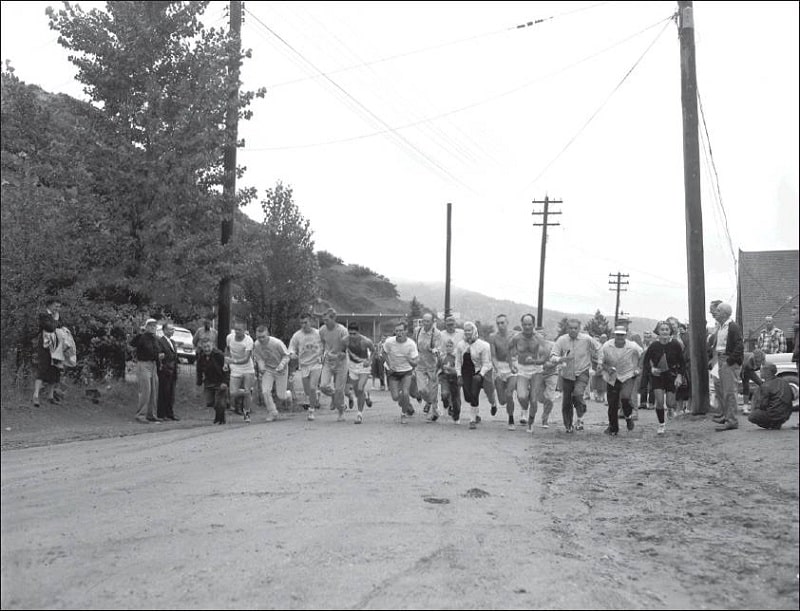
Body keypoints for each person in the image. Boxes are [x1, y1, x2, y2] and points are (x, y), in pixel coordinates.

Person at [550, 318, 600, 433]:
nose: (573, 330)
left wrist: (600, 362)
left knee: (577, 394)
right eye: (570, 328)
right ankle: (568, 425)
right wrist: (560, 358)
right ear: (567, 329)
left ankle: (580, 414)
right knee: (567, 401)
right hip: (567, 373)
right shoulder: (562, 340)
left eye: (575, 328)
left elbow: (599, 348)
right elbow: (552, 355)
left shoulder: (587, 339)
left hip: (582, 371)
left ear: (579, 328)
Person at [642, 321, 686, 435]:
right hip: (658, 376)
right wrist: (651, 369)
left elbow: (682, 363)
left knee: (670, 403)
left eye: (667, 329)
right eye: (662, 329)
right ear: (658, 332)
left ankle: (671, 409)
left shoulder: (675, 344)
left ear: (670, 331)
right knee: (660, 402)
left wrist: (680, 376)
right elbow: (646, 362)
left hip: (671, 376)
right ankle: (661, 424)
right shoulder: (654, 345)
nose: (665, 331)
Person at [597, 326, 642, 435]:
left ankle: (628, 417)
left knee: (625, 398)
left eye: (622, 335)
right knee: (612, 403)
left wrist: (638, 367)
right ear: (614, 335)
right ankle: (613, 427)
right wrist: (606, 368)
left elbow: (643, 355)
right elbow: (600, 362)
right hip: (612, 375)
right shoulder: (607, 346)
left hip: (628, 374)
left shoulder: (632, 346)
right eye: (618, 334)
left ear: (626, 335)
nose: (620, 337)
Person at [710, 303, 744, 431]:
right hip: (721, 359)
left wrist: (729, 361)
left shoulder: (732, 326)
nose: (715, 313)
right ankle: (726, 416)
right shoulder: (720, 327)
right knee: (721, 389)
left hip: (727, 360)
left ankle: (732, 421)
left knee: (729, 391)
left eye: (718, 311)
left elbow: (739, 346)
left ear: (724, 313)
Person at [456, 321, 495, 430]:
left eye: (470, 330)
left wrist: (481, 374)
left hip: (478, 371)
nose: (468, 332)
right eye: (466, 330)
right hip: (466, 371)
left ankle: (472, 419)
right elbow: (458, 362)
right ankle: (476, 412)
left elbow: (487, 363)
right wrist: (459, 375)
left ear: (474, 331)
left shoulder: (484, 345)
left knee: (476, 391)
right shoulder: (460, 345)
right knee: (468, 396)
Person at [508, 314, 543, 430]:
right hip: (522, 369)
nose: (527, 327)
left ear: (533, 324)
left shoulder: (539, 338)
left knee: (533, 399)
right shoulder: (517, 338)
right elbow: (508, 350)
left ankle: (531, 422)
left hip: (536, 370)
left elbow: (545, 355)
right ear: (521, 324)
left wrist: (536, 360)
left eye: (529, 324)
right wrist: (511, 364)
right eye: (525, 324)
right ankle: (525, 408)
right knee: (522, 396)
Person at [381, 321, 419, 424]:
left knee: (405, 392)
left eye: (401, 330)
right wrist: (389, 365)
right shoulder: (389, 342)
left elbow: (415, 363)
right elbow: (384, 353)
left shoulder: (411, 344)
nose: (399, 333)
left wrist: (409, 359)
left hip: (406, 371)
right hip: (393, 372)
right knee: (395, 397)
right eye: (397, 331)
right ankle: (407, 404)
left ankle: (403, 414)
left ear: (406, 331)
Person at [289, 313, 324, 420]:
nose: (304, 325)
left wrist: (324, 355)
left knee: (313, 387)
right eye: (302, 323)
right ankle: (314, 397)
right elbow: (291, 348)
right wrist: (292, 354)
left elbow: (327, 345)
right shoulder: (297, 335)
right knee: (307, 391)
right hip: (304, 365)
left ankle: (311, 411)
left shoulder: (319, 334)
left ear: (311, 322)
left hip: (316, 364)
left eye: (306, 322)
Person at [253, 325, 290, 423]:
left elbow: (286, 356)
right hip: (268, 369)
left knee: (281, 396)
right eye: (258, 337)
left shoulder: (277, 343)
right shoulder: (256, 345)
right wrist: (261, 366)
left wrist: (281, 366)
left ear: (268, 335)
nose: (261, 339)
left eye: (263, 337)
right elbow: (258, 357)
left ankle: (288, 395)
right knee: (265, 391)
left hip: (281, 369)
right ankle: (272, 412)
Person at [319, 308, 350, 421]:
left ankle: (341, 411)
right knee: (323, 386)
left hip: (341, 362)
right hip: (328, 360)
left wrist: (341, 353)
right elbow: (322, 343)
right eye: (323, 320)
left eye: (327, 320)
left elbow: (346, 347)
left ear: (334, 319)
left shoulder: (342, 331)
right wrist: (322, 354)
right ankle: (333, 396)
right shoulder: (322, 330)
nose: (325, 322)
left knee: (339, 389)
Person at [32, 298, 64, 407]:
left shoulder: (57, 315)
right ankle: (35, 396)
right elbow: (51, 328)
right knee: (43, 368)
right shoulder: (43, 315)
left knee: (55, 369)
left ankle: (50, 396)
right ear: (49, 305)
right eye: (56, 306)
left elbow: (61, 326)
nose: (58, 309)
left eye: (59, 306)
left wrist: (56, 321)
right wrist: (55, 320)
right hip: (45, 346)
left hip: (56, 346)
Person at [130, 318, 162, 423]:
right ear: (147, 327)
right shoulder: (142, 337)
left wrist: (159, 360)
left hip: (153, 365)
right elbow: (132, 344)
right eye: (151, 326)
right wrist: (140, 333)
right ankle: (141, 414)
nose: (153, 328)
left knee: (154, 390)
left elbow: (156, 352)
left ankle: (151, 414)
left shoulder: (155, 339)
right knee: (145, 390)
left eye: (154, 326)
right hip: (144, 364)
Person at [489, 314, 516, 427]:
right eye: (498, 323)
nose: (500, 325)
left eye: (502, 323)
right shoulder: (493, 337)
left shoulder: (515, 336)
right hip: (499, 366)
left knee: (509, 394)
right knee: (502, 401)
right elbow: (493, 356)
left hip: (512, 367)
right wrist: (497, 369)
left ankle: (511, 418)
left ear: (507, 323)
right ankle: (495, 403)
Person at [748, 362, 793, 429]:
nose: (760, 373)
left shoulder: (765, 386)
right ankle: (776, 423)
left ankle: (771, 424)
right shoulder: (784, 381)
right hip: (786, 414)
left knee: (752, 416)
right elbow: (792, 396)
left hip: (773, 414)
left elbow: (763, 404)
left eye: (761, 371)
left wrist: (755, 406)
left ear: (767, 372)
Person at [225, 320, 255, 423]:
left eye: (239, 330)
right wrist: (226, 362)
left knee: (247, 390)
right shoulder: (229, 337)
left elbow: (246, 358)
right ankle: (247, 393)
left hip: (247, 368)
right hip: (235, 368)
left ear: (244, 331)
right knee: (232, 393)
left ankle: (246, 412)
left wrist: (233, 361)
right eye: (235, 329)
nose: (237, 332)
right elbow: (227, 350)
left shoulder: (249, 341)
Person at [414, 313, 442, 420]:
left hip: (432, 365)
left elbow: (439, 348)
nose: (425, 323)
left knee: (433, 391)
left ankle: (434, 413)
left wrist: (434, 350)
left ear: (432, 322)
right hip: (420, 364)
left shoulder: (437, 333)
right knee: (422, 390)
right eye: (423, 321)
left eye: (427, 321)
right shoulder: (417, 331)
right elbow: (414, 345)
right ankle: (429, 402)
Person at [346, 322, 375, 424]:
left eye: (354, 333)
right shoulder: (345, 340)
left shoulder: (366, 341)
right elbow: (340, 350)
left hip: (364, 368)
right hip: (352, 368)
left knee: (360, 387)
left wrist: (369, 361)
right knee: (357, 392)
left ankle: (359, 414)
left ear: (358, 333)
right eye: (350, 333)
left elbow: (373, 351)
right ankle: (366, 395)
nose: (352, 336)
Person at [196, 337, 228, 424]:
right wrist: (199, 380)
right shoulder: (201, 356)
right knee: (210, 401)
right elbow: (199, 369)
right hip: (209, 382)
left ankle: (221, 419)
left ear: (212, 346)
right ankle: (218, 415)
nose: (207, 349)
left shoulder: (219, 355)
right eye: (204, 347)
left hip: (220, 381)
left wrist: (225, 382)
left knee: (219, 402)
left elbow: (226, 369)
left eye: (208, 346)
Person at [532, 326, 557, 431]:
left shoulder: (552, 345)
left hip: (551, 373)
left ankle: (545, 418)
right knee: (540, 397)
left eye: (541, 334)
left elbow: (556, 359)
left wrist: (549, 364)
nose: (539, 336)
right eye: (537, 334)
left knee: (550, 397)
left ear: (545, 336)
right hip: (538, 374)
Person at [156, 322, 180, 421]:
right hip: (165, 370)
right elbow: (161, 355)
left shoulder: (173, 342)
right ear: (164, 330)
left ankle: (170, 412)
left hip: (172, 370)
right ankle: (162, 413)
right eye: (170, 329)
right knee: (163, 392)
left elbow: (174, 356)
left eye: (173, 329)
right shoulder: (161, 341)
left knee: (171, 392)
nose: (172, 331)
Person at [438, 338, 462, 423]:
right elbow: (438, 366)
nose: (448, 348)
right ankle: (446, 404)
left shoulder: (457, 357)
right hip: (445, 378)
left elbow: (459, 369)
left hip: (455, 379)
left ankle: (456, 415)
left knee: (455, 398)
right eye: (447, 346)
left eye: (450, 346)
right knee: (444, 394)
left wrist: (450, 369)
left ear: (453, 347)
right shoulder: (442, 357)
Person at [740, 349, 765, 414]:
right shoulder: (748, 362)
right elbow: (744, 372)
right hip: (743, 369)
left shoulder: (762, 359)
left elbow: (763, 370)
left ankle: (748, 406)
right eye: (757, 361)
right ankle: (746, 407)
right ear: (754, 359)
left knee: (760, 384)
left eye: (760, 361)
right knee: (747, 385)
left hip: (747, 369)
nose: (759, 363)